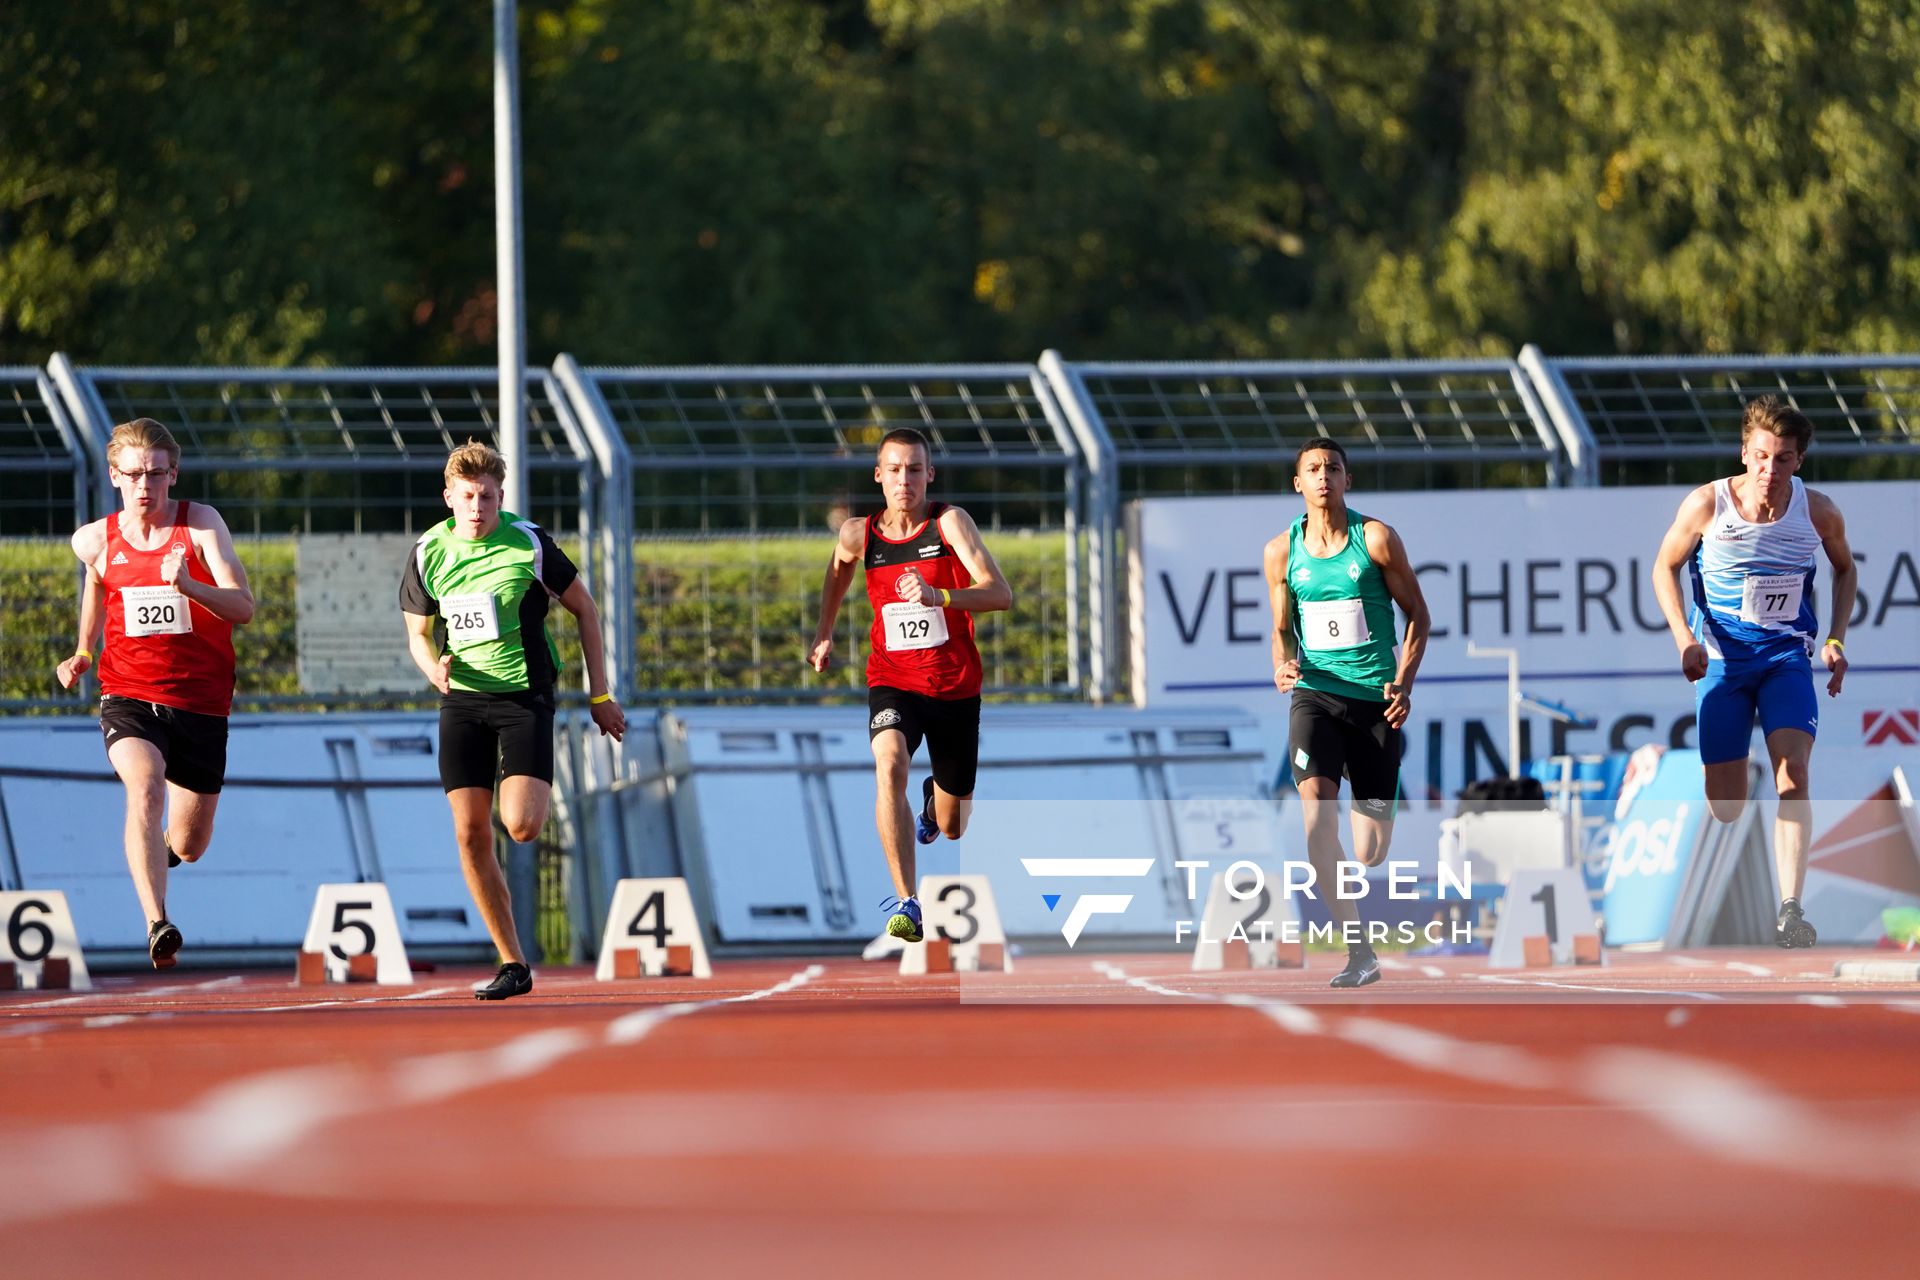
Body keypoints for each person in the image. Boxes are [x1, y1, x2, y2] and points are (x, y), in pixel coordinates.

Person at [399, 441, 626, 999]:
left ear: (501, 497)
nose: (478, 508)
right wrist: (433, 669)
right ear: (449, 496)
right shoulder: (429, 550)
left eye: (489, 497)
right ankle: (513, 963)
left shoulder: (527, 543)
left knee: (521, 826)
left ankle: (515, 951)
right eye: (468, 497)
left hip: (524, 698)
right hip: (462, 700)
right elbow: (417, 634)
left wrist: (600, 696)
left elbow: (586, 610)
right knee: (470, 831)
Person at [1651, 396, 1853, 948]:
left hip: (1786, 658)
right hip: (1721, 661)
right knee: (1727, 804)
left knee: (1795, 774)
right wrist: (1684, 639)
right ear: (1745, 453)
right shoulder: (1707, 505)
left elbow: (1845, 569)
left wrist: (1835, 639)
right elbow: (1664, 566)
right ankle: (1722, 767)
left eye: (1783, 459)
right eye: (1761, 457)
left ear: (1799, 462)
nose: (1770, 471)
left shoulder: (1818, 512)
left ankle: (1790, 909)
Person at [55, 418, 255, 968]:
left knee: (190, 844)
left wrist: (187, 584)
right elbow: (98, 580)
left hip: (201, 702)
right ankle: (157, 921)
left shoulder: (202, 526)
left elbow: (244, 607)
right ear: (115, 475)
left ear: (174, 474)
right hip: (128, 694)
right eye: (135, 474)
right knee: (144, 788)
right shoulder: (94, 538)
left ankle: (162, 853)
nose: (147, 486)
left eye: (158, 475)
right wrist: (83, 650)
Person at [808, 428, 1013, 944]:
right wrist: (824, 632)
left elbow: (1000, 594)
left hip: (954, 688)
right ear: (879, 476)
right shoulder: (861, 534)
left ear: (930, 475)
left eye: (915, 470)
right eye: (895, 470)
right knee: (889, 764)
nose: (905, 480)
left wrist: (938, 596)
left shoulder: (949, 524)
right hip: (893, 680)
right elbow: (838, 568)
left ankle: (930, 805)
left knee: (952, 825)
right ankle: (907, 902)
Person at [1265, 436, 1430, 988]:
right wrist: (1283, 665)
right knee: (1316, 821)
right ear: (1298, 483)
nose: (1322, 477)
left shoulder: (1376, 540)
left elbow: (1419, 618)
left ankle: (1378, 823)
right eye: (1312, 469)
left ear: (1346, 480)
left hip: (1375, 704)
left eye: (1332, 468)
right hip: (1315, 695)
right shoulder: (1282, 552)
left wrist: (1403, 683)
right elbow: (1281, 630)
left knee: (1371, 851)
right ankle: (1360, 951)